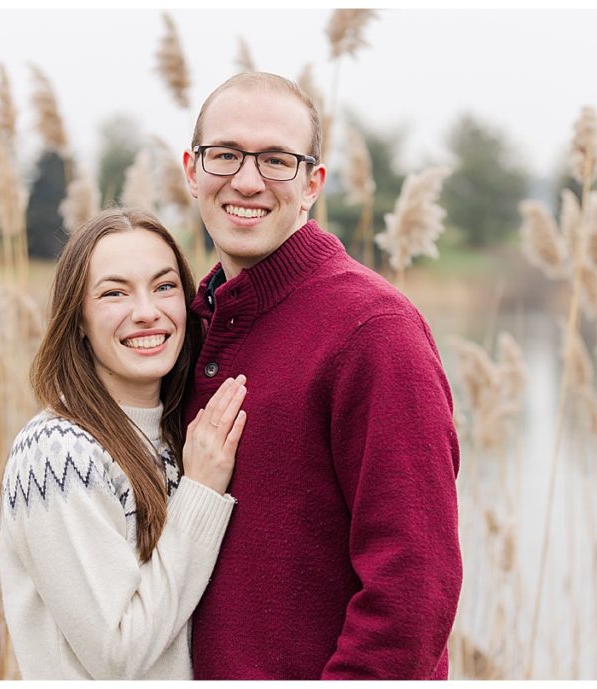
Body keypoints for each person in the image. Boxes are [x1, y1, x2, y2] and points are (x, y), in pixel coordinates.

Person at [181, 72, 462, 680]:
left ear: (312, 184)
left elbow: (414, 589)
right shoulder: (187, 325)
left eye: (277, 160)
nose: (247, 180)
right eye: (225, 154)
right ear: (192, 170)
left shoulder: (373, 330)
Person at [0, 207, 247, 679]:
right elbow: (118, 652)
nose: (147, 312)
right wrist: (202, 492)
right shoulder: (56, 452)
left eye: (165, 286)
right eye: (114, 293)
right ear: (80, 321)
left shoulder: (180, 438)